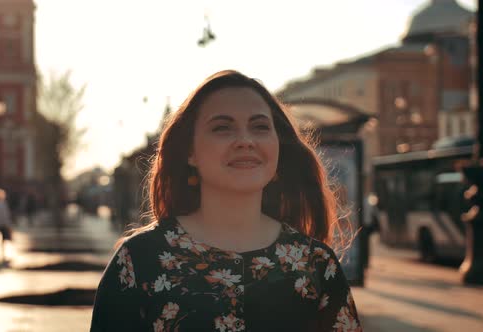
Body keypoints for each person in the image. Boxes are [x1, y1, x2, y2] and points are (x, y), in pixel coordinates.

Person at [90, 70, 361, 332]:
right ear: (189, 152)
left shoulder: (315, 264)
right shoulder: (139, 260)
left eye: (260, 127)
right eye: (222, 128)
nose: (245, 140)